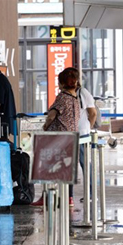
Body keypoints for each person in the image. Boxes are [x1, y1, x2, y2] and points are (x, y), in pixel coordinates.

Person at [32, 67, 81, 206]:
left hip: (58, 138)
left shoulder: (62, 97)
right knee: (67, 168)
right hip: (71, 137)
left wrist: (45, 126)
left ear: (62, 83)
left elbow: (52, 115)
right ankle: (69, 198)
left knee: (48, 166)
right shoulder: (76, 98)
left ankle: (46, 197)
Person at [76, 82, 97, 202]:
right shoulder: (71, 93)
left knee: (84, 163)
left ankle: (91, 193)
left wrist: (89, 126)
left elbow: (93, 113)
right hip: (74, 133)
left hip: (82, 133)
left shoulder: (82, 92)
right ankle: (69, 196)